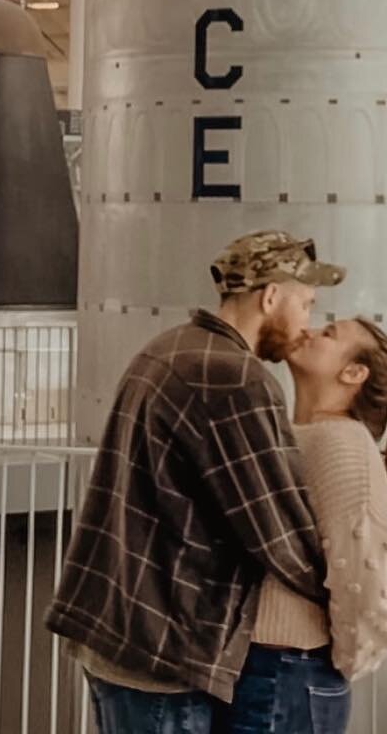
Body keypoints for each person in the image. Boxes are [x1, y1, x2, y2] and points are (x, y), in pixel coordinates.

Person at [46, 231, 346, 732]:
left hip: (118, 634)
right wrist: (348, 598)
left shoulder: (169, 348)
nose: (308, 326)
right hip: (164, 650)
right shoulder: (234, 378)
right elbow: (280, 532)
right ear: (270, 297)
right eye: (306, 305)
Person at [229, 320, 387, 734]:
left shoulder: (344, 446)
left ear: (353, 373)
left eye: (330, 333)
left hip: (288, 670)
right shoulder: (305, 435)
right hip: (268, 667)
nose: (311, 329)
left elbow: (363, 575)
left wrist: (338, 659)